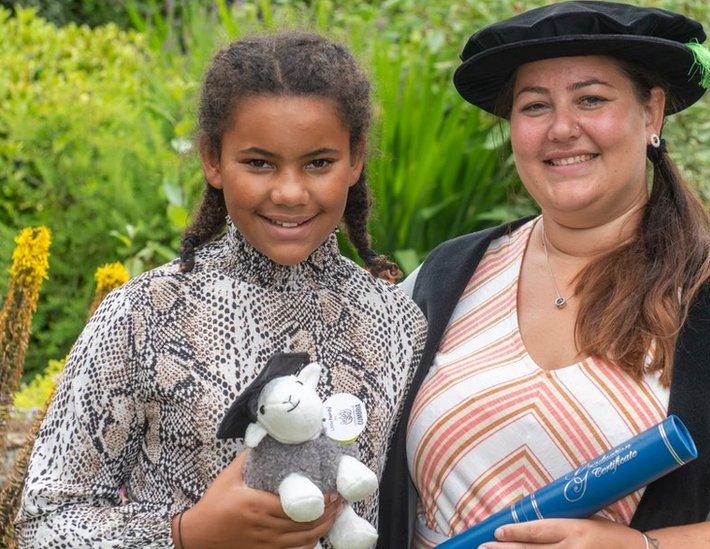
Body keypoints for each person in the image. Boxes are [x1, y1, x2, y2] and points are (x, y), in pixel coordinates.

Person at [378, 2, 710, 548]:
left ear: (651, 113)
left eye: (591, 99)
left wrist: (643, 548)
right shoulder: (446, 281)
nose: (561, 128)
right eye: (534, 106)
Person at [16, 31, 426, 548]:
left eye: (318, 163)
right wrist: (187, 535)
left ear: (355, 159)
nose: (290, 192)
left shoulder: (397, 323)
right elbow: (44, 521)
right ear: (213, 159)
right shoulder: (144, 314)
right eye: (259, 163)